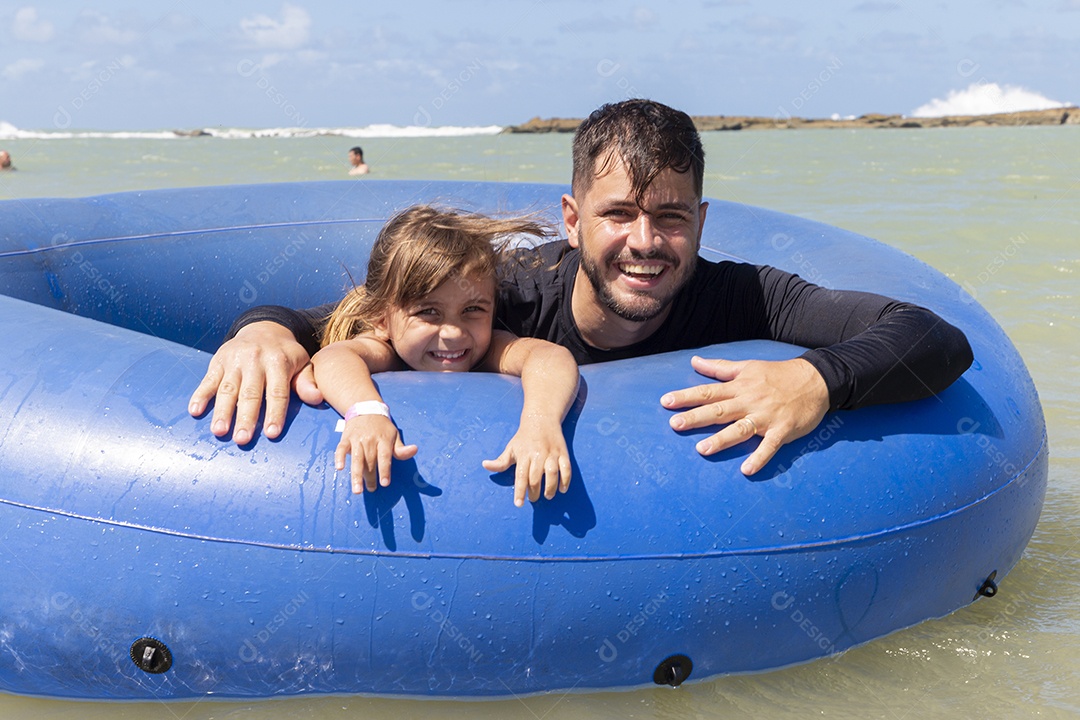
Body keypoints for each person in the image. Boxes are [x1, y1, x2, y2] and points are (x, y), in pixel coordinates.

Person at [190, 98, 972, 476]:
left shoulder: (745, 296)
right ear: (572, 218)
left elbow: (934, 338)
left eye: (669, 217)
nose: (644, 243)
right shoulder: (509, 290)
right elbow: (358, 320)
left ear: (700, 221)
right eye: (618, 214)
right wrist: (264, 329)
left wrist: (816, 381)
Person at [308, 204, 578, 506]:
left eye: (472, 310)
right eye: (428, 312)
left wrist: (540, 422)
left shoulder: (488, 350)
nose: (453, 332)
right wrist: (366, 412)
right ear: (382, 319)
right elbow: (334, 358)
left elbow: (548, 358)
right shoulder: (387, 351)